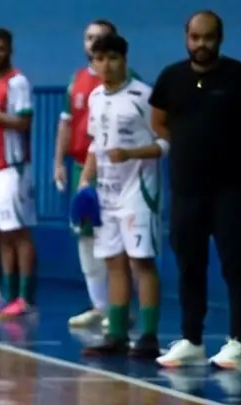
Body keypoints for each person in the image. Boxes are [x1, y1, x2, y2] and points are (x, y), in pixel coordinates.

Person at [150, 10, 241, 369]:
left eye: (208, 38)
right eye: (195, 37)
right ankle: (192, 339)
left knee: (237, 266)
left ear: (220, 38)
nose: (201, 44)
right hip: (187, 190)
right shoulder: (172, 78)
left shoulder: (237, 77)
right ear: (186, 37)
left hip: (232, 191)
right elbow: (157, 119)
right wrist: (189, 145)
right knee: (190, 265)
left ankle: (238, 341)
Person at [78, 35, 164, 359]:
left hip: (140, 192)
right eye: (99, 59)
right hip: (106, 195)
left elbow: (165, 143)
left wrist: (131, 153)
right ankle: (115, 333)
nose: (106, 65)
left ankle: (149, 336)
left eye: (112, 58)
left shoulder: (145, 96)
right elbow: (94, 145)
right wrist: (85, 180)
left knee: (141, 261)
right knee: (113, 262)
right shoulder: (95, 97)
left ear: (124, 59)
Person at [54, 19, 119, 329]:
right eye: (90, 37)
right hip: (81, 168)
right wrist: (57, 162)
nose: (95, 42)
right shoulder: (77, 80)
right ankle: (100, 306)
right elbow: (65, 124)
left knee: (115, 241)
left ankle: (119, 308)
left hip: (115, 170)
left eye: (101, 37)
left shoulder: (125, 81)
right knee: (86, 238)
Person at [0, 28, 37, 318]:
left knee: (19, 232)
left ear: (9, 50)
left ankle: (25, 296)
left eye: (0, 48)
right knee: (2, 235)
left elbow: (23, 122)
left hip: (13, 167)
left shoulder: (18, 82)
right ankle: (9, 294)